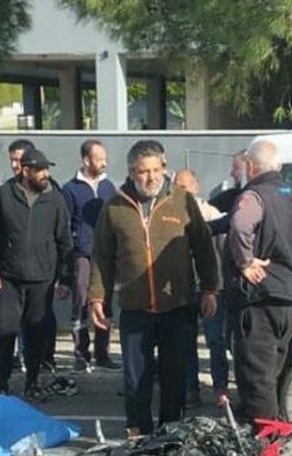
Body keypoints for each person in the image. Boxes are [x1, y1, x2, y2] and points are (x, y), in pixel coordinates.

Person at [88, 140, 219, 437]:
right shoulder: (115, 206)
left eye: (156, 170)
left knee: (174, 379)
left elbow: (203, 246)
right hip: (136, 309)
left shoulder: (182, 201)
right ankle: (138, 436)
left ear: (164, 167)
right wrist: (97, 297)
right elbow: (102, 256)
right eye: (143, 172)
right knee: (136, 381)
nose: (150, 178)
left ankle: (171, 436)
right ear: (131, 172)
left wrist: (210, 288)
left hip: (177, 307)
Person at [0, 148, 74, 400]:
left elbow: (65, 240)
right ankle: (2, 382)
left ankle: (32, 382)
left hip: (42, 277)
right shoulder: (3, 195)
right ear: (26, 171)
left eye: (47, 169)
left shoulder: (55, 199)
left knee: (36, 331)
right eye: (40, 170)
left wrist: (66, 278)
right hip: (8, 276)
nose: (46, 174)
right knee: (4, 329)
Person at [225, 140, 292, 422]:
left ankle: (266, 444)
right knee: (271, 373)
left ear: (251, 166)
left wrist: (245, 262)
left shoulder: (253, 195)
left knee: (256, 378)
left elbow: (239, 225)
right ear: (278, 166)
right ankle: (270, 434)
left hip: (259, 297)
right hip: (288, 295)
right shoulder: (291, 193)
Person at [61, 139, 118, 373]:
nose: (104, 163)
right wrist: (66, 269)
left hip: (106, 255)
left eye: (105, 158)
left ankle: (103, 354)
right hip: (82, 254)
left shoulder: (109, 187)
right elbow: (64, 226)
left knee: (105, 302)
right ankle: (80, 354)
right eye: (99, 159)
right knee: (82, 301)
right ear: (86, 160)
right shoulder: (70, 189)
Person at [173, 169, 229, 407]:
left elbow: (222, 253)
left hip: (211, 288)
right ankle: (190, 390)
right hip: (184, 289)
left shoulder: (211, 214)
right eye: (177, 187)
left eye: (184, 187)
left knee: (215, 340)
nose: (180, 192)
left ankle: (220, 388)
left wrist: (217, 287)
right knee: (186, 341)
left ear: (195, 188)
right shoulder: (170, 217)